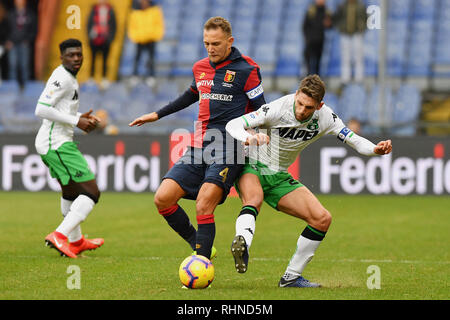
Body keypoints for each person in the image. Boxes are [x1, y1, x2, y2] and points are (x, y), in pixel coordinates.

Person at [225, 74, 392, 287]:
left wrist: (375, 149)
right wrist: (249, 137)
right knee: (254, 199)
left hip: (279, 176)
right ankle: (243, 245)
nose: (302, 110)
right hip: (252, 164)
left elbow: (355, 140)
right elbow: (234, 124)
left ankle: (291, 277)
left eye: (309, 107)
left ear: (320, 106)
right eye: (300, 103)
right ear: (296, 95)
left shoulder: (326, 118)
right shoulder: (277, 108)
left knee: (322, 219)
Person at [129, 17, 266, 261]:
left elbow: (261, 109)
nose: (211, 48)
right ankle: (199, 244)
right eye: (206, 44)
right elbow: (189, 95)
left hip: (230, 147)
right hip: (200, 144)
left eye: (216, 43)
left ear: (230, 41)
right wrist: (157, 114)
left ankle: (201, 263)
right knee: (163, 198)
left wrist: (255, 132)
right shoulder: (200, 67)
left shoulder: (248, 70)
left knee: (204, 203)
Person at [35, 39, 104, 258]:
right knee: (91, 192)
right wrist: (76, 121)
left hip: (55, 142)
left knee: (72, 193)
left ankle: (76, 242)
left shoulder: (70, 78)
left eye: (79, 55)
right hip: (57, 144)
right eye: (71, 55)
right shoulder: (61, 78)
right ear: (62, 57)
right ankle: (60, 235)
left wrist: (78, 117)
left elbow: (58, 110)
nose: (76, 59)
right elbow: (41, 109)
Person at [127, 0, 164, 87]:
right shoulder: (135, 11)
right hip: (139, 39)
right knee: (137, 58)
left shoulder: (155, 10)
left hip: (151, 39)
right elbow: (132, 26)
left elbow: (159, 24)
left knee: (151, 58)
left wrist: (155, 35)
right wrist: (135, 37)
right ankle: (135, 75)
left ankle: (151, 76)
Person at [333, 0, 367, 84]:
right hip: (345, 34)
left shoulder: (360, 5)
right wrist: (340, 28)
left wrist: (362, 27)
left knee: (358, 57)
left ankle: (359, 79)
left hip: (357, 34)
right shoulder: (342, 6)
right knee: (345, 57)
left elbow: (365, 18)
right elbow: (336, 18)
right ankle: (345, 79)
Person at [5, 0, 37, 86]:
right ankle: (12, 86)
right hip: (13, 44)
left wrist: (28, 40)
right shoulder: (10, 14)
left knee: (25, 66)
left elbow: (34, 29)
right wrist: (7, 41)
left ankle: (26, 87)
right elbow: (5, 29)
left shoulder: (30, 14)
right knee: (13, 65)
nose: (19, 2)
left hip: (24, 44)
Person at [87, 0, 117, 89]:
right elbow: (88, 24)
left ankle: (104, 78)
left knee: (105, 60)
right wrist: (90, 36)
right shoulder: (93, 10)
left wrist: (110, 38)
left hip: (105, 40)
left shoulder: (111, 10)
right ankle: (91, 78)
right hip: (94, 40)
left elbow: (114, 25)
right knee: (93, 60)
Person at [302, 0, 332, 76]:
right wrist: (307, 38)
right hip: (310, 41)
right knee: (308, 63)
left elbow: (330, 26)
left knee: (318, 64)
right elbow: (304, 26)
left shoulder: (326, 11)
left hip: (320, 40)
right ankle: (308, 81)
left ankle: (317, 82)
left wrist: (329, 24)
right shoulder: (311, 11)